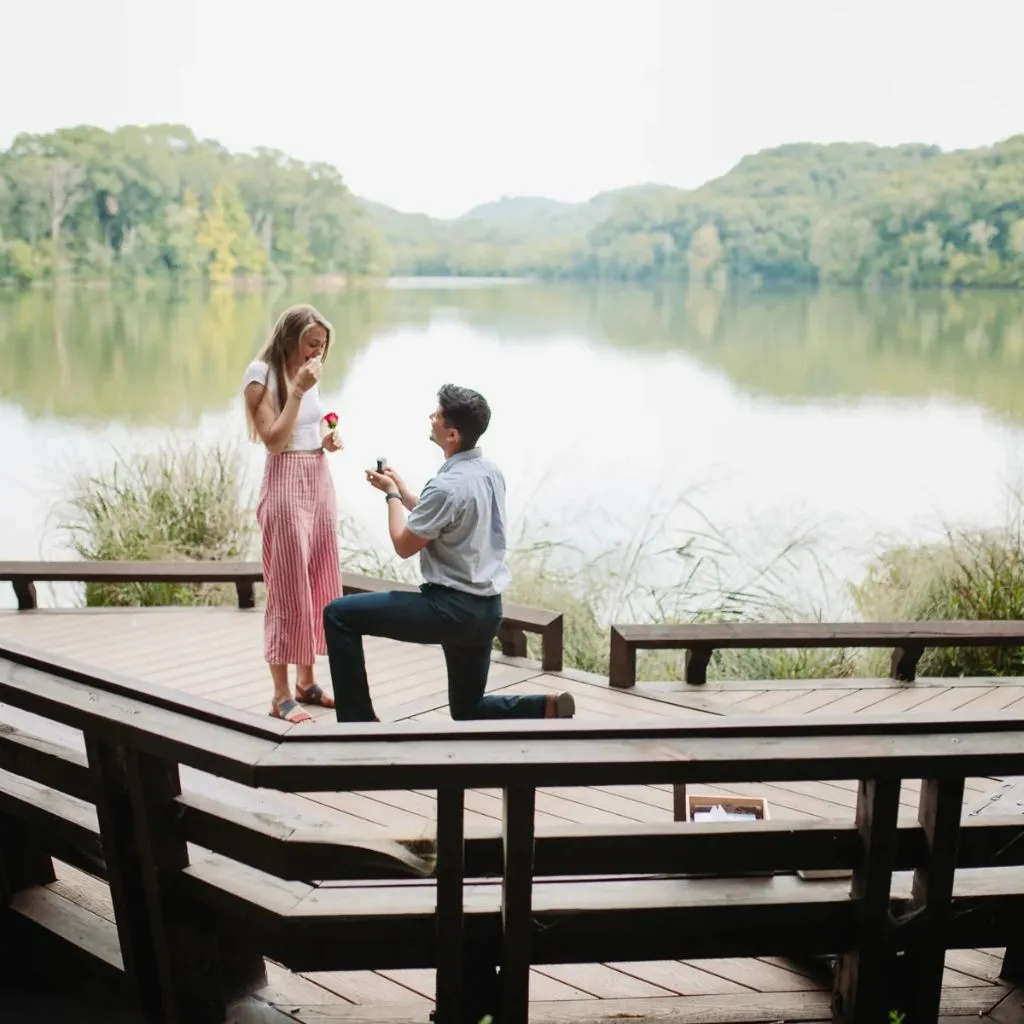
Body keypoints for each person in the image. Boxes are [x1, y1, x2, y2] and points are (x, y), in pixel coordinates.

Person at [323, 383, 575, 723]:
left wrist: (392, 497)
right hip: (486, 611)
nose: (432, 417)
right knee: (467, 709)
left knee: (339, 615)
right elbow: (446, 518)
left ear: (452, 434)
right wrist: (406, 492)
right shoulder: (489, 472)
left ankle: (359, 728)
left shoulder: (446, 486)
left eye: (438, 415)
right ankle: (543, 706)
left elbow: (403, 544)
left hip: (450, 610)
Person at [243, 303, 344, 724]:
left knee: (319, 578)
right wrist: (298, 389)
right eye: (311, 344)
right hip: (285, 479)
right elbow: (273, 440)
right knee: (287, 587)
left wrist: (329, 436)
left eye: (322, 347)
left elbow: (313, 425)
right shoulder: (259, 376)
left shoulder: (311, 370)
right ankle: (280, 695)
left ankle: (307, 681)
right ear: (289, 338)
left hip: (318, 477)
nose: (317, 353)